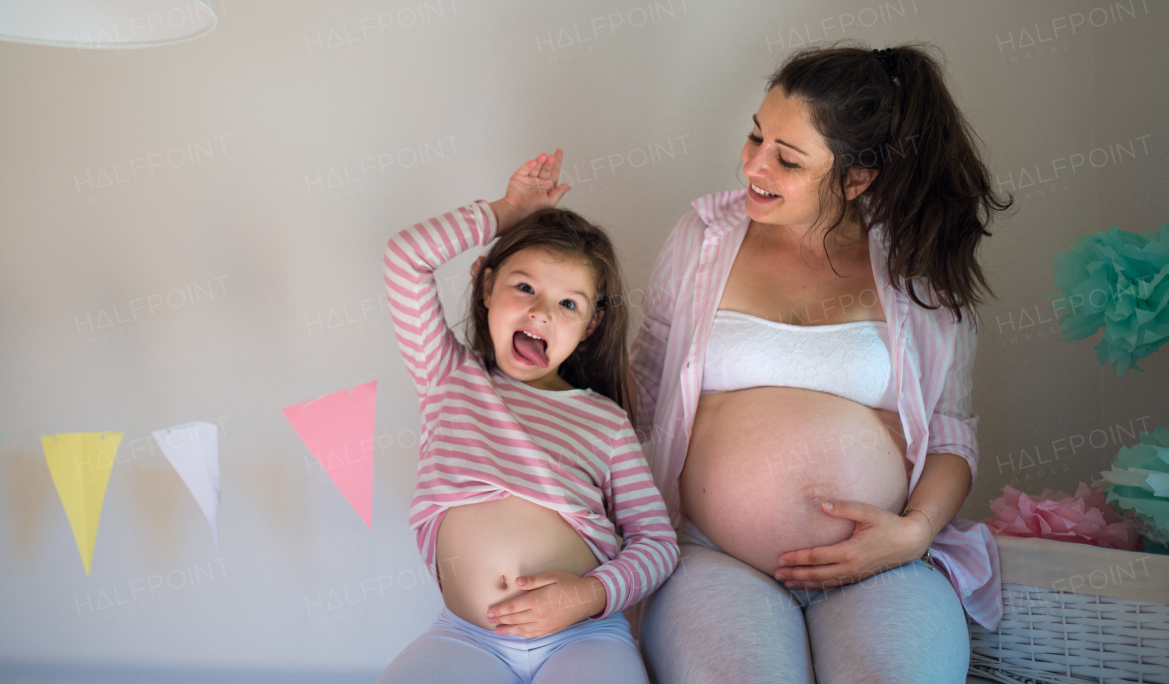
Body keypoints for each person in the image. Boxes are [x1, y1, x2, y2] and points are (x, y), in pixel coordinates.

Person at [632, 44, 1012, 683]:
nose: (753, 165)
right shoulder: (704, 238)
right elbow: (644, 391)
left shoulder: (917, 269)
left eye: (787, 158)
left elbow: (949, 432)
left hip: (879, 558)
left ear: (856, 179)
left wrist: (913, 534)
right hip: (716, 556)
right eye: (756, 136)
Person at [376, 150, 678, 684]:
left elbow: (657, 544)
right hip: (466, 637)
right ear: (487, 286)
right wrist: (506, 210)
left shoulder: (604, 422)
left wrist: (590, 594)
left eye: (568, 304)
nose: (540, 311)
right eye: (524, 287)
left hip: (583, 636)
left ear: (590, 327)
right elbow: (405, 259)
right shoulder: (450, 376)